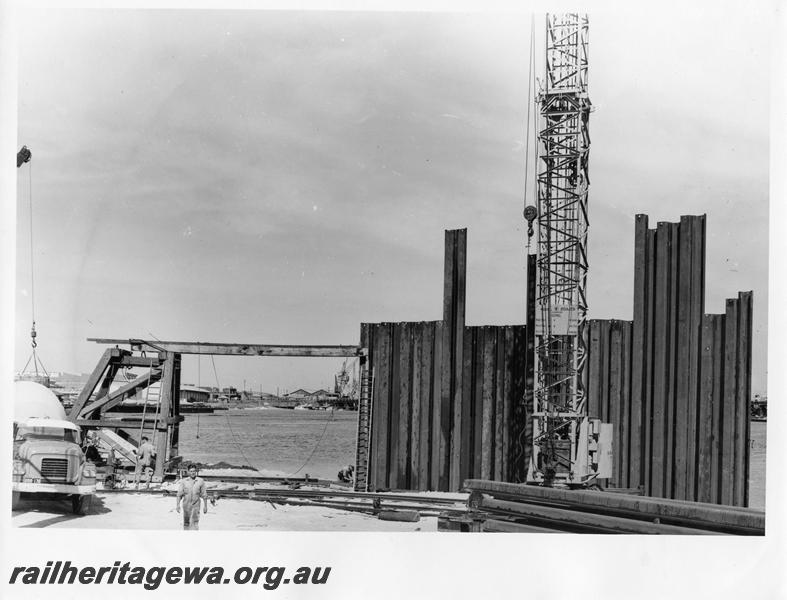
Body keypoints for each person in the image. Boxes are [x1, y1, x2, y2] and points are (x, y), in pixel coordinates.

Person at [176, 463, 208, 530]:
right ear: (188, 472)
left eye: (194, 471)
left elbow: (204, 495)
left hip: (196, 506)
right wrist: (178, 505)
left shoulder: (200, 481)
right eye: (191, 471)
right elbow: (179, 494)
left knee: (195, 523)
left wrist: (205, 506)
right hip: (186, 505)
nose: (192, 473)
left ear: (196, 471)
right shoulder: (184, 481)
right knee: (186, 523)